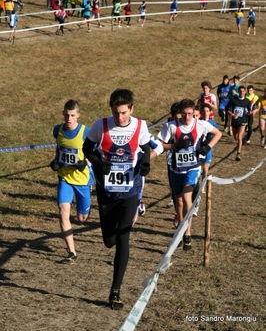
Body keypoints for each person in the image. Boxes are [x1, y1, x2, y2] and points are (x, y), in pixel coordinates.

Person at [82, 88, 150, 310]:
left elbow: (147, 147)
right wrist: (100, 164)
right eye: (115, 112)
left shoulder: (140, 126)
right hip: (107, 192)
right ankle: (112, 238)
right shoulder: (100, 125)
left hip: (130, 191)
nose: (119, 117)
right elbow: (87, 148)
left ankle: (115, 291)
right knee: (109, 240)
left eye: (123, 112)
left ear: (131, 108)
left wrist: (145, 163)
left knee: (123, 238)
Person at [158, 98, 221, 250]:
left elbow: (217, 133)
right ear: (180, 113)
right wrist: (174, 145)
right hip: (176, 169)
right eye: (184, 114)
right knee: (178, 201)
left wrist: (207, 147)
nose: (187, 117)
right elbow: (158, 144)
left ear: (194, 113)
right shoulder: (171, 126)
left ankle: (187, 233)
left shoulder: (200, 125)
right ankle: (180, 227)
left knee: (187, 198)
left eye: (190, 114)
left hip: (193, 168)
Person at [50, 100, 93, 263]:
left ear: (78, 116)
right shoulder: (57, 130)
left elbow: (96, 151)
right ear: (63, 114)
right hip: (65, 178)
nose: (69, 118)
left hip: (82, 180)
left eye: (72, 115)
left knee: (82, 218)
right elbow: (59, 147)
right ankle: (72, 252)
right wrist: (56, 160)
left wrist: (86, 161)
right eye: (67, 115)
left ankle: (84, 207)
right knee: (63, 213)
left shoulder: (85, 132)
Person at [226, 86, 252, 161]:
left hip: (242, 121)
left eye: (243, 91)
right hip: (234, 122)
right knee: (236, 138)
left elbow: (249, 110)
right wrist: (233, 115)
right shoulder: (233, 100)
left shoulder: (247, 101)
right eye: (240, 91)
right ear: (238, 92)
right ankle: (240, 144)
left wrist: (251, 113)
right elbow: (227, 109)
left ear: (245, 92)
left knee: (240, 137)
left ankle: (238, 154)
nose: (241, 92)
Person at [199, 104, 218, 181]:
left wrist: (210, 142)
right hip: (199, 148)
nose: (205, 113)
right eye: (204, 111)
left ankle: (202, 186)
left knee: (205, 168)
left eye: (207, 111)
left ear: (210, 112)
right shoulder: (198, 122)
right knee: (198, 168)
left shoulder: (213, 124)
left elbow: (217, 135)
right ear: (201, 113)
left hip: (208, 149)